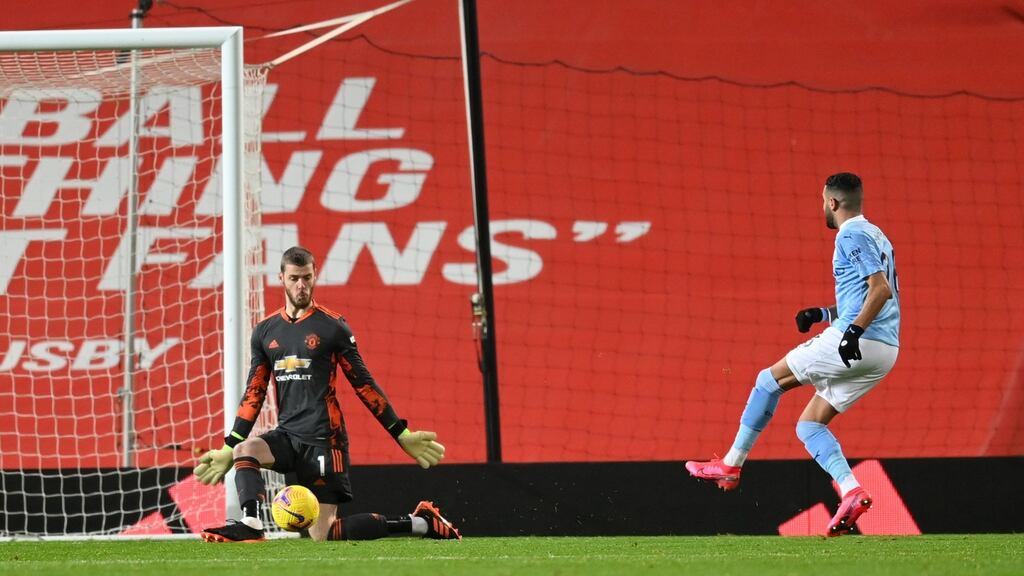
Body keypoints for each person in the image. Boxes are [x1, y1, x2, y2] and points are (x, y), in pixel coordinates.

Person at [194, 246, 460, 542]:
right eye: (294, 278)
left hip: (324, 439)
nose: (301, 285)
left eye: (307, 277)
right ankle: (252, 523)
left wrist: (401, 433)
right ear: (281, 277)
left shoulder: (333, 327)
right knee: (247, 451)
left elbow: (364, 384)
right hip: (287, 436)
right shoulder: (265, 332)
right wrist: (230, 446)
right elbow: (254, 392)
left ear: (315, 275)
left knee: (325, 534)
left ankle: (421, 523)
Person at [685, 172, 900, 537]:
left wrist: (851, 332)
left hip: (860, 342)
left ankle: (732, 465)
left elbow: (880, 291)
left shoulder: (850, 234)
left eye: (823, 201)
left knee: (767, 381)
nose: (823, 208)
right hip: (885, 350)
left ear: (832, 202)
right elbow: (865, 296)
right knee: (810, 425)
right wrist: (823, 314)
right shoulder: (878, 235)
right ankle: (852, 491)